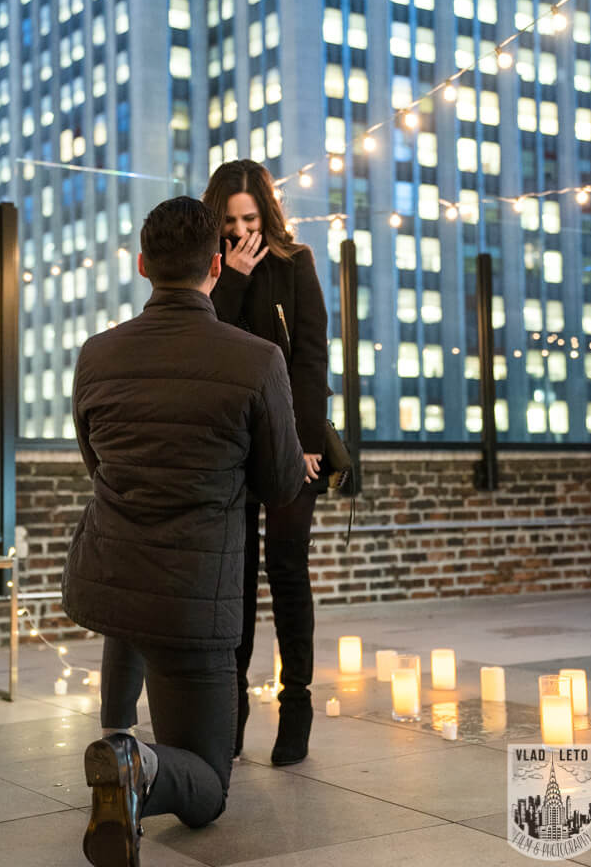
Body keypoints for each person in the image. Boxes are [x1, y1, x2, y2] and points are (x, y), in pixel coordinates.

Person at [62, 196, 305, 867]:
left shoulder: (96, 355)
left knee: (134, 629)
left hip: (109, 581)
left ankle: (123, 744)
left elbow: (97, 463)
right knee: (207, 784)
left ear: (142, 265)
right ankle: (133, 762)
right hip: (193, 600)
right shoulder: (257, 361)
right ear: (217, 267)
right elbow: (282, 482)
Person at [202, 159, 328, 766]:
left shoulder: (296, 263)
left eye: (249, 218)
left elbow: (309, 358)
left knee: (286, 568)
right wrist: (231, 280)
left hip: (291, 444)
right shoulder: (212, 271)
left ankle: (296, 704)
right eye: (228, 221)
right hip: (233, 448)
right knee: (236, 579)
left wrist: (303, 443)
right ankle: (232, 710)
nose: (240, 231)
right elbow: (207, 345)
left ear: (267, 214)